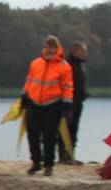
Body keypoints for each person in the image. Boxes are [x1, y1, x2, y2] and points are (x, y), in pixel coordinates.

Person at [19, 35, 74, 176]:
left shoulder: (65, 67)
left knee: (50, 137)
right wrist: (24, 95)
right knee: (32, 135)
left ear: (57, 48)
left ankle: (49, 165)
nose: (48, 50)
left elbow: (68, 87)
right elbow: (29, 80)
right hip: (34, 103)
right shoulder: (35, 63)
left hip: (53, 104)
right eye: (46, 46)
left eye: (51, 47)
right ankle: (36, 163)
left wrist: (67, 104)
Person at [59, 41, 89, 165]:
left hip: (77, 103)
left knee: (74, 129)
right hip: (68, 104)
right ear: (74, 51)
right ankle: (64, 156)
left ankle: (71, 155)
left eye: (85, 51)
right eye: (82, 51)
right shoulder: (68, 65)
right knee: (67, 129)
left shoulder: (78, 65)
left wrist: (84, 93)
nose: (84, 54)